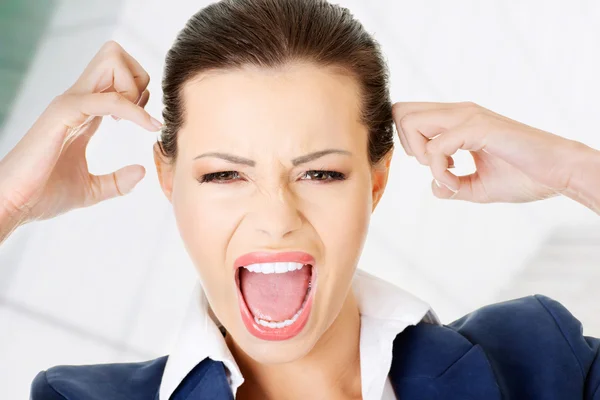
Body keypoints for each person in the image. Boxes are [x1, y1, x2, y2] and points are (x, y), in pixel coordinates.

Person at [0, 0, 598, 399]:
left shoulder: (538, 362)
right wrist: (8, 202)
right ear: (170, 181)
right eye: (224, 176)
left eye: (320, 175)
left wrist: (576, 169)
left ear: (377, 182)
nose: (275, 220)